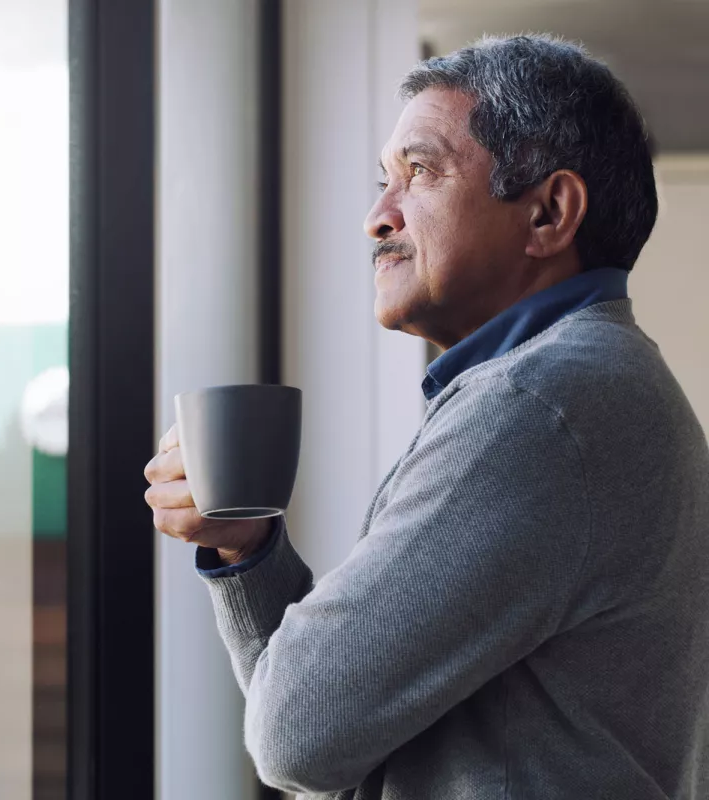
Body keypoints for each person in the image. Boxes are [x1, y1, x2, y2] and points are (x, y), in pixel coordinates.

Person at [144, 34, 709, 799]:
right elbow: (334, 728)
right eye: (382, 180)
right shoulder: (596, 385)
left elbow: (295, 736)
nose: (377, 218)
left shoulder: (538, 407)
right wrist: (246, 550)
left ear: (548, 212)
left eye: (420, 172)